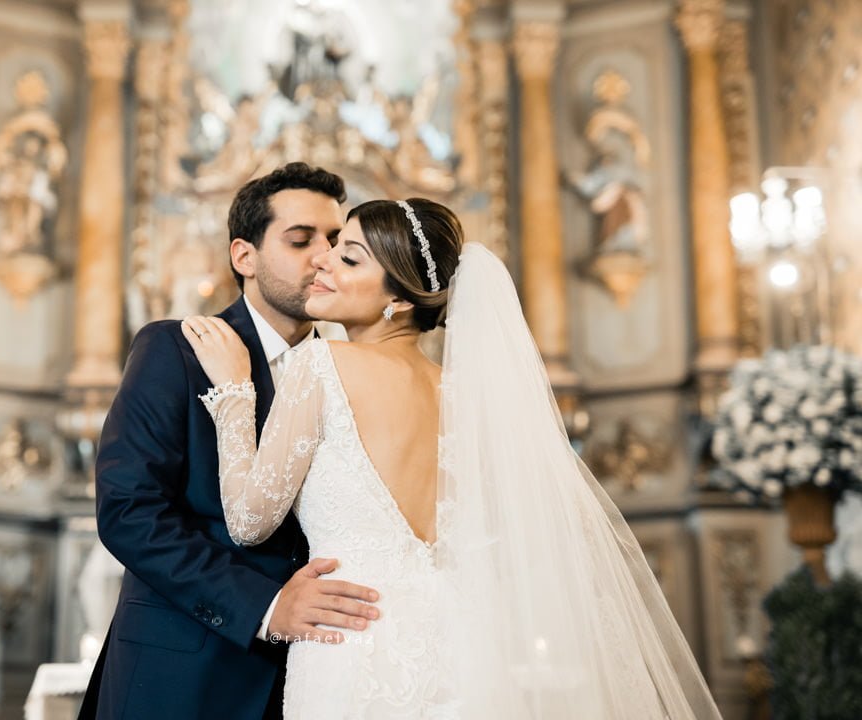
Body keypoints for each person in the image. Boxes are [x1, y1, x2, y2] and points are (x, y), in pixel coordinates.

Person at [183, 198, 724, 718]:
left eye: (348, 257)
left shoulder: (320, 365)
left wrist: (235, 393)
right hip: (468, 651)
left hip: (356, 646)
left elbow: (249, 521)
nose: (322, 260)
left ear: (399, 299)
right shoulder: (467, 399)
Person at [79, 163, 380, 720]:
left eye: (336, 241)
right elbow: (129, 512)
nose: (324, 257)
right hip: (185, 671)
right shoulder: (175, 349)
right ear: (245, 256)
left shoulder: (354, 371)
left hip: (317, 672)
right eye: (301, 240)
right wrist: (267, 605)